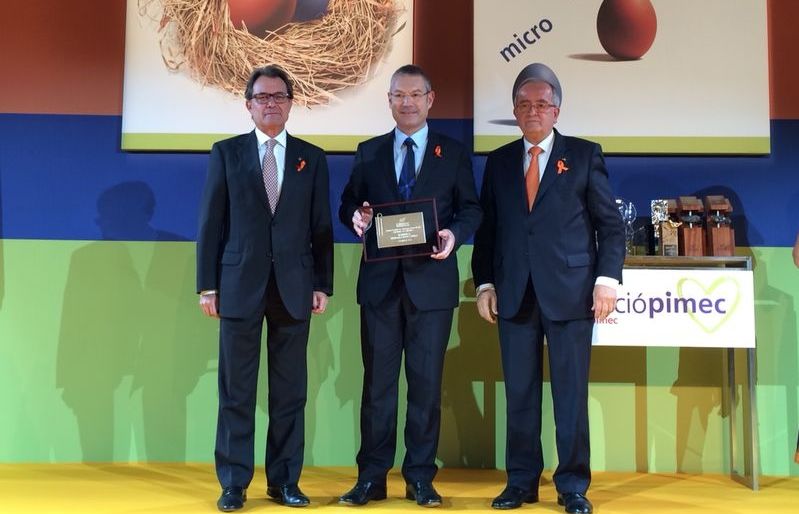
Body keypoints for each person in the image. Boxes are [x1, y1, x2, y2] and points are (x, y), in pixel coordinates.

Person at [471, 63, 624, 514]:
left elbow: (609, 227)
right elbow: (489, 232)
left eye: (541, 104)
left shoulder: (583, 155)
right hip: (514, 295)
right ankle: (520, 482)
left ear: (556, 110)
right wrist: (485, 284)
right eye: (524, 104)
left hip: (573, 294)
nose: (532, 111)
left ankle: (573, 486)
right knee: (519, 394)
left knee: (570, 395)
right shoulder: (498, 162)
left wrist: (606, 281)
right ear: (515, 111)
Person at [338, 64, 482, 507]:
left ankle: (420, 477)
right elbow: (348, 204)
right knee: (377, 389)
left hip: (431, 287)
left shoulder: (453, 154)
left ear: (430, 99)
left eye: (416, 95)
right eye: (399, 95)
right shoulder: (369, 152)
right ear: (389, 100)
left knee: (425, 387)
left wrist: (453, 236)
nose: (407, 102)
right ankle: (371, 477)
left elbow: (471, 210)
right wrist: (355, 218)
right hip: (380, 287)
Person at [196, 65, 333, 512]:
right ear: (248, 105)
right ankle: (234, 483)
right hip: (238, 285)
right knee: (236, 391)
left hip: (294, 287)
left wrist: (322, 283)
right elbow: (211, 224)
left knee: (290, 392)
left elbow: (321, 228)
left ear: (292, 103)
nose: (271, 103)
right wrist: (207, 286)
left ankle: (285, 482)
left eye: (279, 96)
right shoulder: (226, 153)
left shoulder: (311, 158)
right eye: (263, 97)